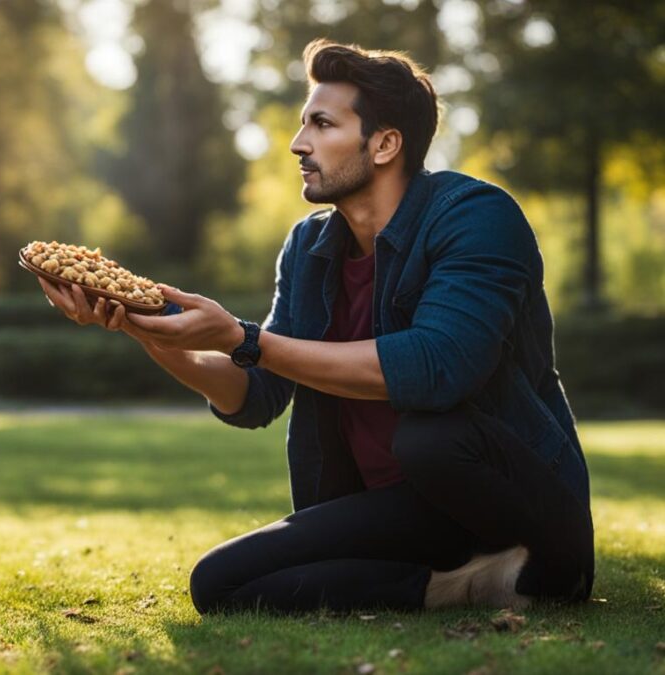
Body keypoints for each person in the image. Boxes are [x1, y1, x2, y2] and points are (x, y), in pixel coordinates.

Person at [36, 39, 594, 614]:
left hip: (518, 502)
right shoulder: (310, 247)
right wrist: (145, 327)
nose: (298, 144)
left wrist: (243, 338)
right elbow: (254, 395)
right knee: (219, 584)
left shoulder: (476, 216)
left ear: (384, 144)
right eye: (304, 123)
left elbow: (436, 367)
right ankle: (468, 584)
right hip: (398, 508)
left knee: (432, 438)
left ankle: (550, 569)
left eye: (321, 125)